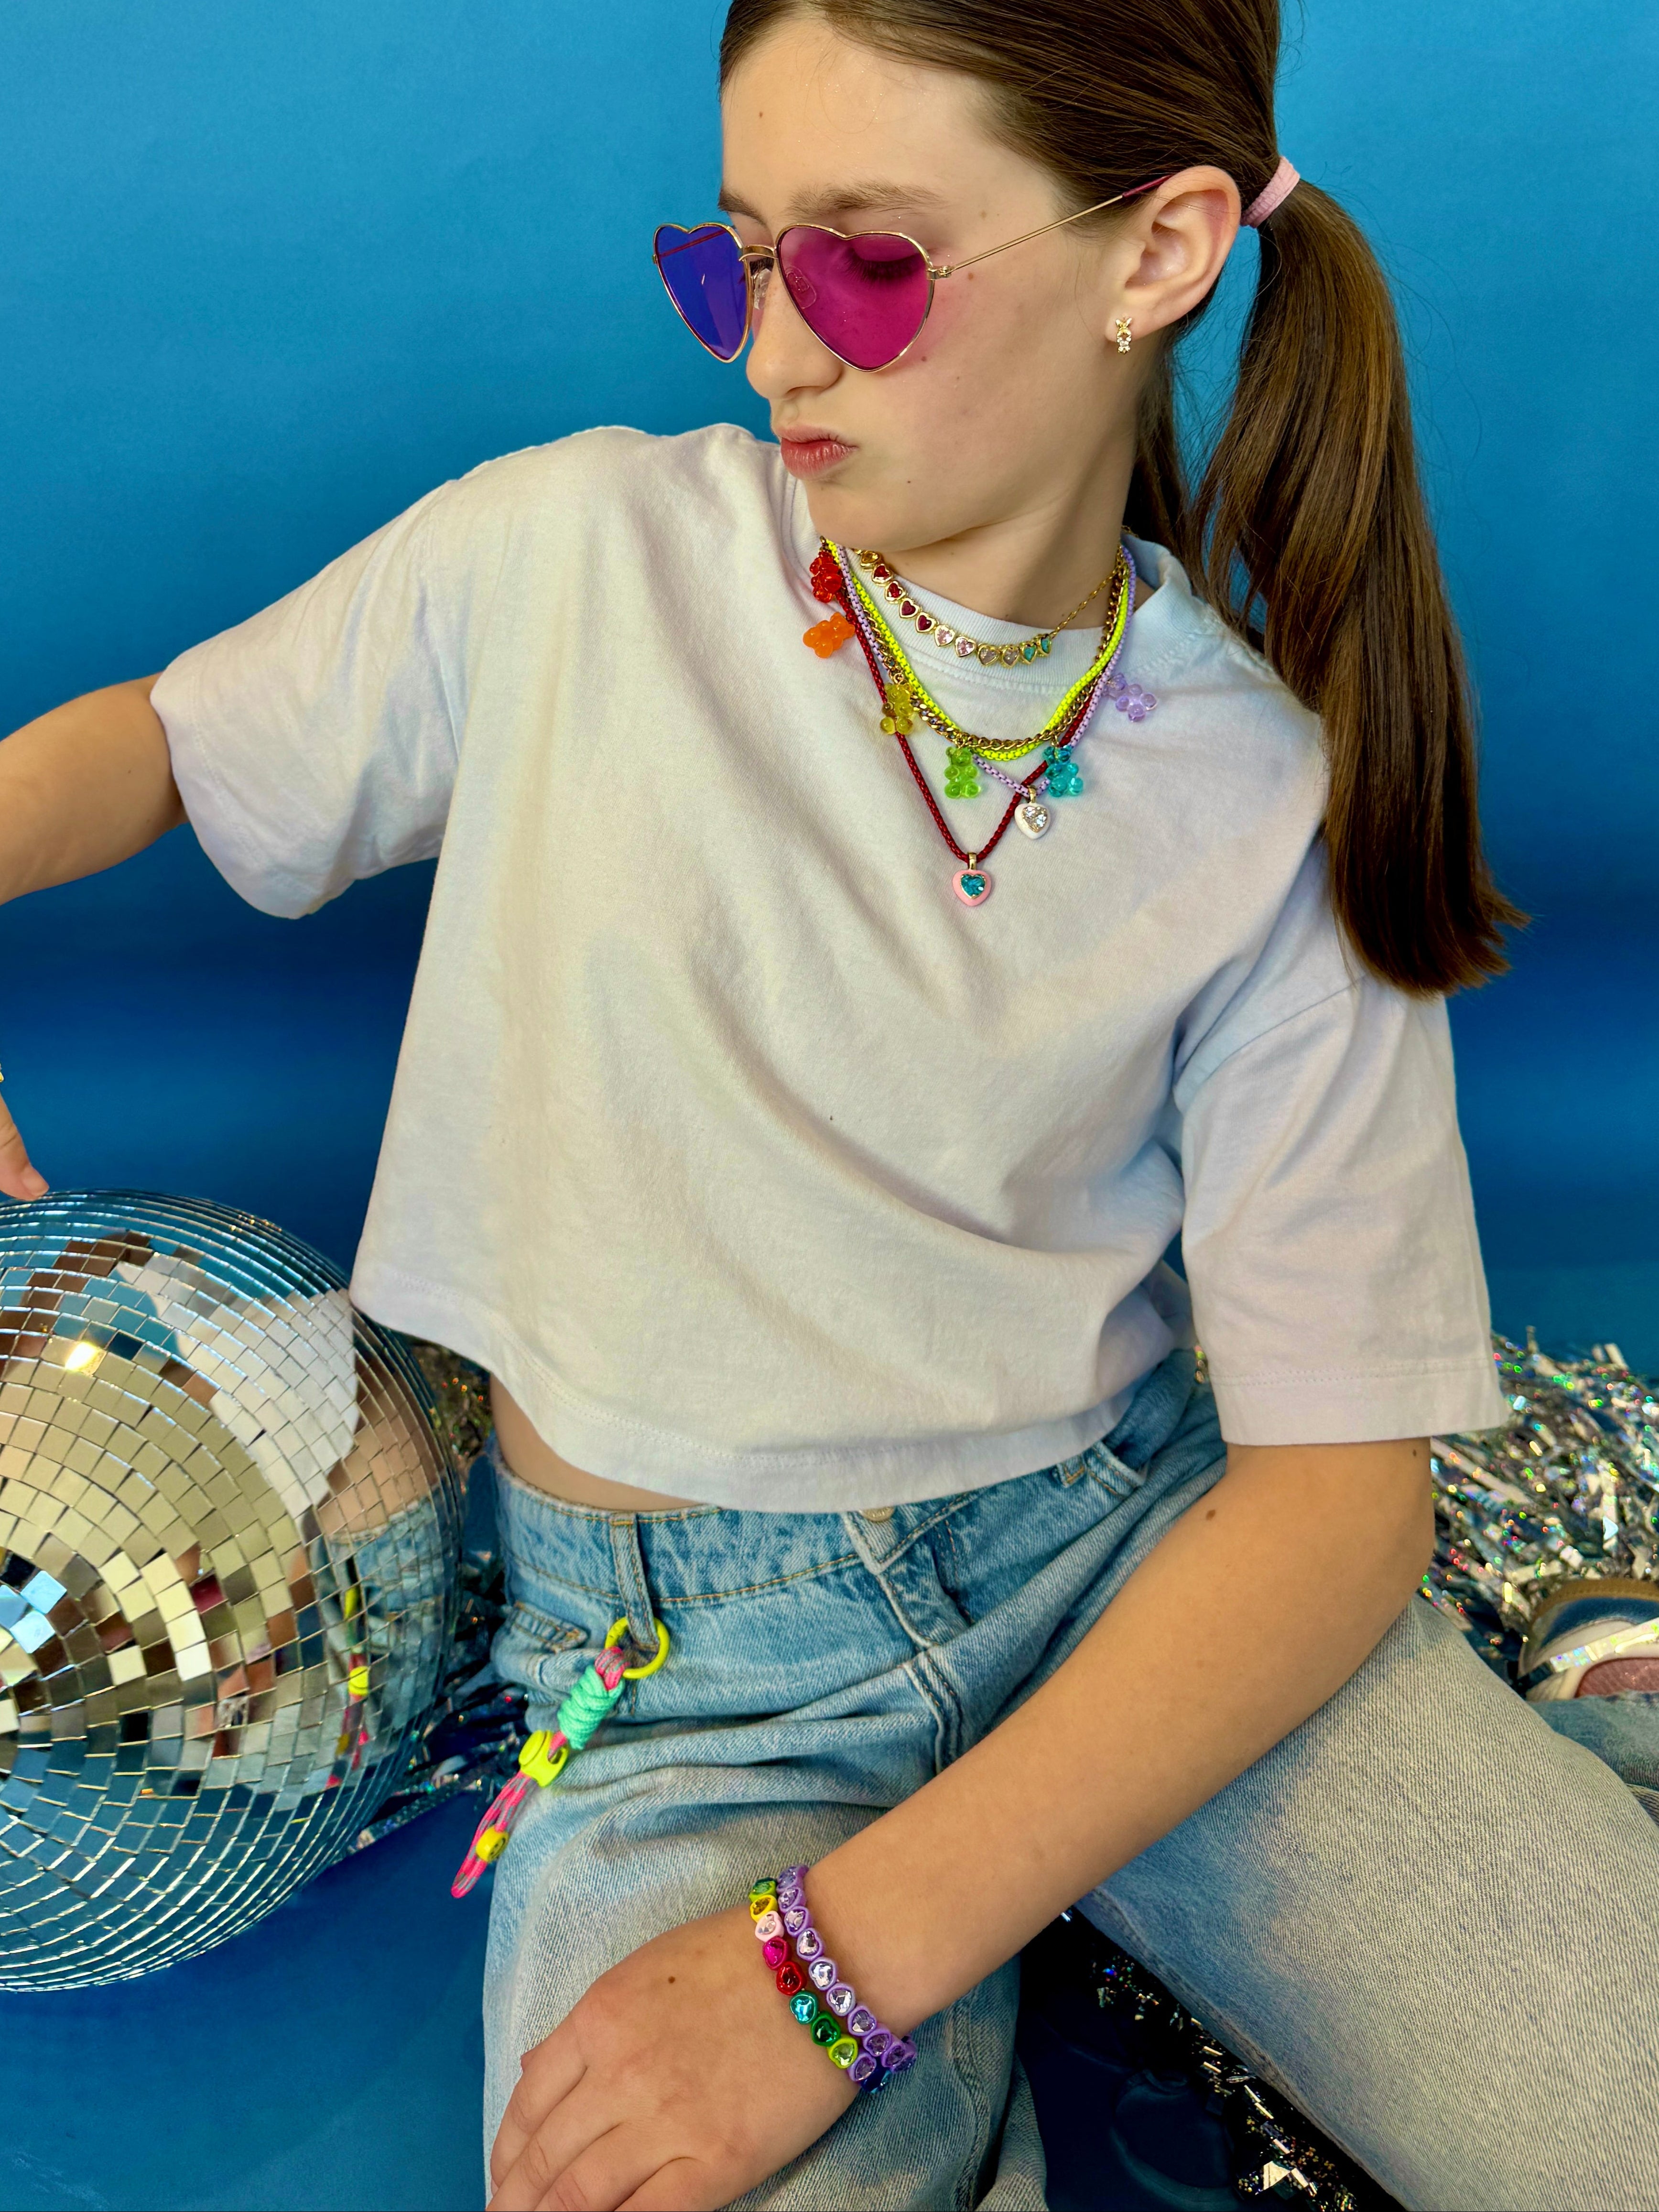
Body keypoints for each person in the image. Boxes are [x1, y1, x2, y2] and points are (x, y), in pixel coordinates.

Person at [2, 0, 1655, 2203]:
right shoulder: (563, 560)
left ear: (1157, 252)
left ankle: (1564, 1732)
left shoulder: (1261, 795)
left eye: (865, 266)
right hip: (680, 1678)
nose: (775, 352)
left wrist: (828, 1968)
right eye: (733, 262)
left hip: (1132, 1580)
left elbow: (1326, 1506)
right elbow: (166, 747)